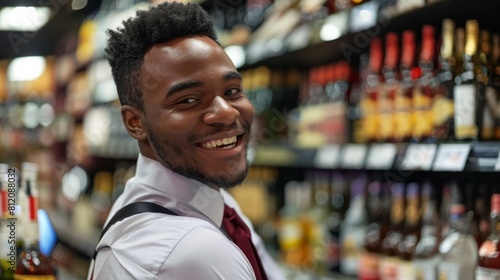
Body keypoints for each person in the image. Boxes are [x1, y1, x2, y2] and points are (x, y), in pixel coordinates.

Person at [88, 2, 285, 280]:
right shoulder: (193, 252)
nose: (227, 112)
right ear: (135, 122)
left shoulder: (212, 203)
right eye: (188, 100)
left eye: (232, 91)